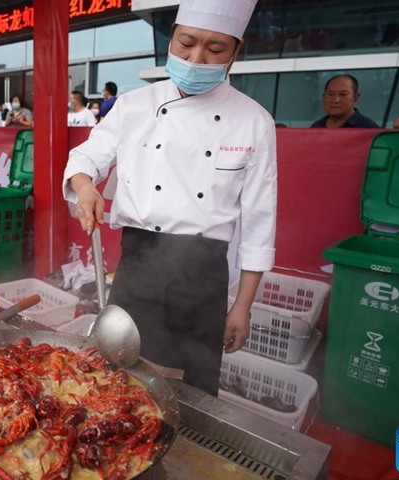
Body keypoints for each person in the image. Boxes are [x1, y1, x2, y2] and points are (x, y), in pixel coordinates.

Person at [63, 0, 277, 396]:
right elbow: (84, 158)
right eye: (186, 43)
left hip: (204, 276)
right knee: (117, 381)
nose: (196, 59)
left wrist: (243, 306)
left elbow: (259, 226)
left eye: (215, 49)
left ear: (236, 51)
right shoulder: (134, 105)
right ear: (171, 40)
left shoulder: (254, 122)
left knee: (194, 388)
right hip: (138, 264)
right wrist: (85, 186)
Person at [311, 75, 380, 128]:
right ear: (323, 97)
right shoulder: (317, 127)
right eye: (331, 94)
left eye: (343, 94)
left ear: (355, 97)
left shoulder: (368, 128)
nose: (336, 100)